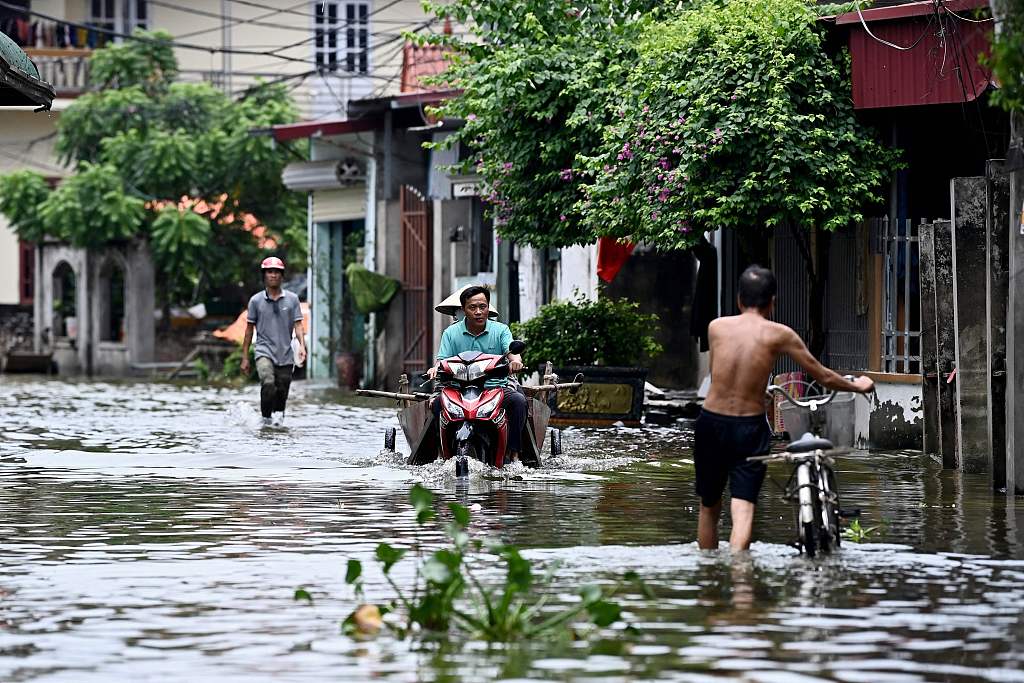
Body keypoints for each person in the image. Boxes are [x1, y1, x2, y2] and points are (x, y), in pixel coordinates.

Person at [697, 265, 874, 552]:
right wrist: (860, 385)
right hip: (748, 427)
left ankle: (708, 585)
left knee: (709, 507)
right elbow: (823, 376)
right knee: (742, 511)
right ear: (772, 302)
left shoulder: (716, 328)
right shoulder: (780, 334)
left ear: (739, 300)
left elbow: (725, 373)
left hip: (711, 423)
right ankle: (741, 584)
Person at [426, 285, 528, 461]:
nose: (479, 312)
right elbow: (441, 360)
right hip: (457, 388)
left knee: (519, 402)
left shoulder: (501, 330)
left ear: (488, 306)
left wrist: (516, 362)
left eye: (483, 306)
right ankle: (441, 453)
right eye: (472, 307)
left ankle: (514, 455)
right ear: (464, 310)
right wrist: (435, 368)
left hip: (495, 387)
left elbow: (513, 354)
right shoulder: (451, 333)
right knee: (436, 404)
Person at [240, 257, 307, 426]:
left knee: (282, 390)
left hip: (285, 353)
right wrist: (245, 357)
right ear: (264, 275)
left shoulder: (292, 299)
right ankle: (266, 419)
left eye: (277, 272)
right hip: (264, 351)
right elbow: (249, 331)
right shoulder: (256, 301)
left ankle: (278, 420)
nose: (273, 275)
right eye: (270, 272)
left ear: (282, 276)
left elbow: (298, 325)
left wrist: (302, 347)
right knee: (268, 383)